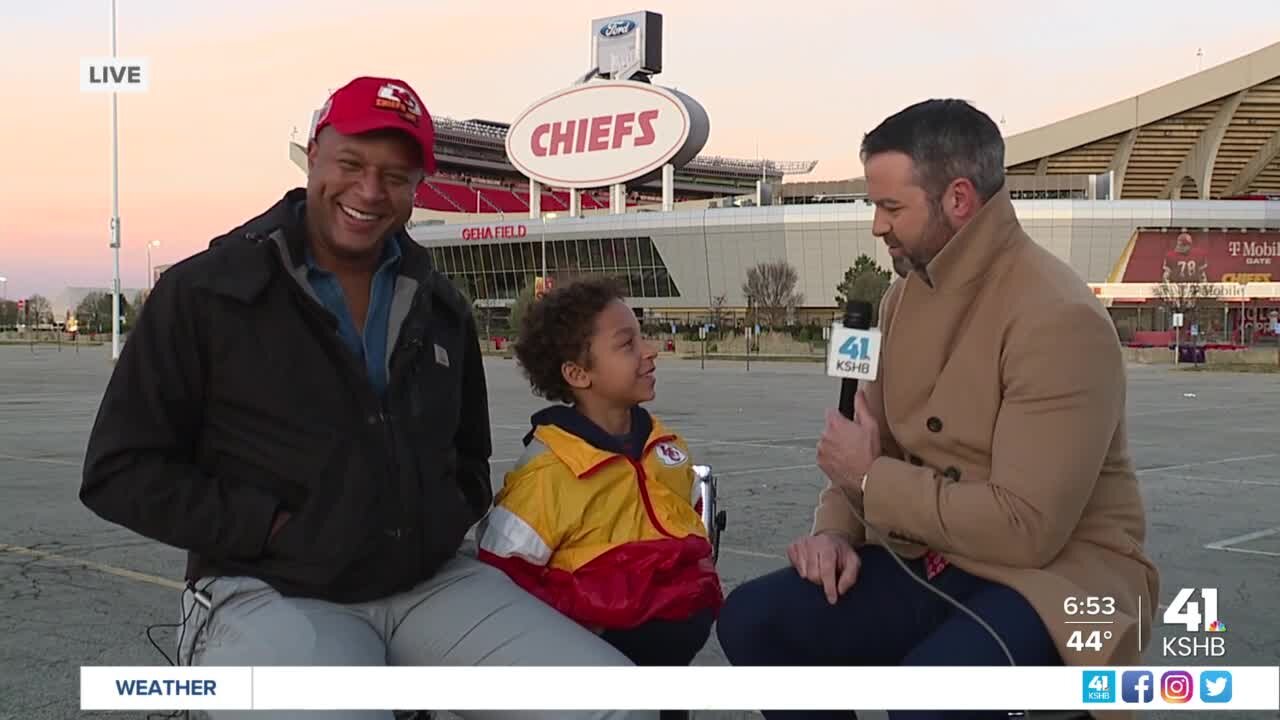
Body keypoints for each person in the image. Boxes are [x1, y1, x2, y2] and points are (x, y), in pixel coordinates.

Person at [80, 76, 654, 720]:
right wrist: (268, 528)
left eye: (396, 175)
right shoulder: (208, 293)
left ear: (416, 187)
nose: (370, 191)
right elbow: (119, 471)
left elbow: (467, 458)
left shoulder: (441, 307)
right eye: (351, 164)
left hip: (430, 584)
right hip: (273, 589)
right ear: (314, 155)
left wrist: (435, 520)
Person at [715, 99, 1160, 719]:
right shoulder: (898, 301)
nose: (877, 226)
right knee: (754, 621)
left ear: (958, 199)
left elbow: (1026, 529)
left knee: (925, 699)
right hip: (925, 554)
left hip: (1053, 580)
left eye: (892, 207)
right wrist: (834, 534)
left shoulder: (1059, 317)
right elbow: (864, 442)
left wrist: (872, 479)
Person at [476, 277, 722, 681]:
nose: (650, 351)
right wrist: (583, 624)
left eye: (643, 337)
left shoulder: (667, 449)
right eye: (628, 345)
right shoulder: (547, 475)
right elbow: (502, 578)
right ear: (577, 373)